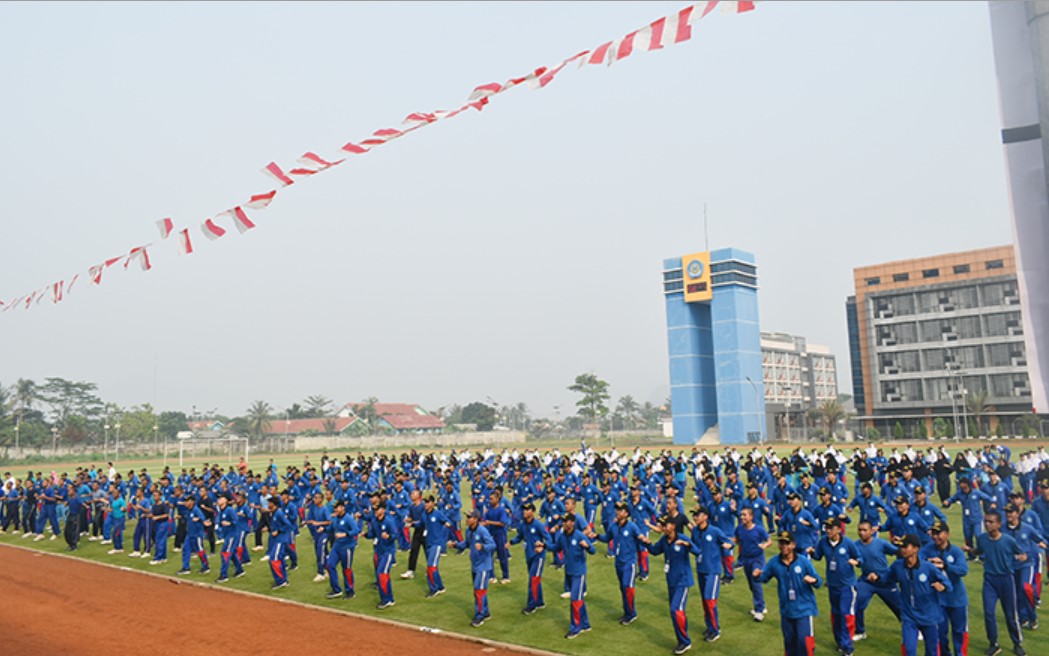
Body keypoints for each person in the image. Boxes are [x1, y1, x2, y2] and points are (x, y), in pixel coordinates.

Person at [875, 534, 951, 656]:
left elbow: (948, 584)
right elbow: (887, 579)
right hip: (909, 616)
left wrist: (943, 586)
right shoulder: (897, 566)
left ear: (916, 549)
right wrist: (877, 578)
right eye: (901, 547)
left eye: (905, 547)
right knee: (909, 650)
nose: (902, 550)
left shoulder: (928, 568)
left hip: (929, 616)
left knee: (932, 651)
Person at [966, 511, 1027, 656]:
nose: (988, 524)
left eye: (991, 522)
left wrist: (1022, 557)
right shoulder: (982, 539)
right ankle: (993, 643)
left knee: (1010, 614)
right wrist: (970, 550)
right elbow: (979, 551)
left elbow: (1021, 553)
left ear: (999, 524)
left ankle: (1017, 643)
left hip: (1006, 579)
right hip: (989, 580)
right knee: (988, 612)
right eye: (986, 521)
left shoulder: (1008, 540)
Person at [753, 530, 824, 656]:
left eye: (787, 543)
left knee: (804, 644)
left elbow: (819, 582)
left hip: (804, 610)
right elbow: (764, 578)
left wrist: (813, 580)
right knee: (790, 644)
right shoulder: (774, 562)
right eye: (781, 543)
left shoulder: (803, 561)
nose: (784, 546)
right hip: (787, 610)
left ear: (793, 545)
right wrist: (757, 576)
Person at [648, 514, 700, 655]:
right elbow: (654, 551)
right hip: (671, 581)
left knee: (675, 609)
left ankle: (685, 641)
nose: (663, 528)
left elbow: (697, 551)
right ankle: (681, 640)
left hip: (683, 581)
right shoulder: (664, 540)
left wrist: (687, 545)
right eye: (662, 525)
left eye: (665, 525)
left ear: (673, 526)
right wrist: (645, 543)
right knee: (677, 612)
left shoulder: (682, 538)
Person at [813, 518, 862, 656]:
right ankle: (840, 642)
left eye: (831, 528)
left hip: (847, 586)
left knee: (845, 615)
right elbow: (818, 556)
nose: (828, 530)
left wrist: (856, 562)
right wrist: (811, 552)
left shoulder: (848, 543)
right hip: (832, 585)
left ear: (839, 529)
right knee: (835, 615)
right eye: (827, 528)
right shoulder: (823, 542)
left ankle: (848, 649)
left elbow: (859, 557)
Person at [920, 520, 969, 656]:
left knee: (959, 631)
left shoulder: (956, 552)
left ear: (947, 534)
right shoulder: (927, 550)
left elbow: (963, 570)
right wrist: (929, 563)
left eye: (938, 533)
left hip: (957, 599)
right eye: (933, 533)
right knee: (940, 632)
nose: (935, 537)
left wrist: (945, 565)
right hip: (937, 600)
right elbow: (917, 563)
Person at [591, 501, 644, 625]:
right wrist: (597, 536)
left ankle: (631, 613)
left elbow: (640, 538)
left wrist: (643, 541)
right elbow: (607, 538)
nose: (617, 512)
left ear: (626, 513)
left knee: (628, 588)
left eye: (620, 510)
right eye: (617, 510)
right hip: (618, 562)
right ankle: (627, 612)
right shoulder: (614, 526)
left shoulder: (632, 527)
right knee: (622, 588)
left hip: (629, 563)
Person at [689, 506, 733, 642]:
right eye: (694, 515)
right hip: (701, 569)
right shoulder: (695, 531)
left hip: (713, 571)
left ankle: (715, 629)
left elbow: (729, 542)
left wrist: (728, 546)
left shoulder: (714, 531)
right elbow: (695, 547)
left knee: (710, 600)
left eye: (698, 515)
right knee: (704, 600)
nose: (695, 517)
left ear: (706, 516)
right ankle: (709, 626)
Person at [853, 520, 901, 641]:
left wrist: (900, 544)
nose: (862, 533)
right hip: (866, 580)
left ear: (871, 531)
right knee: (857, 604)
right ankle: (860, 631)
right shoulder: (855, 546)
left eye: (865, 530)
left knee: (900, 607)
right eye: (860, 530)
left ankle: (914, 629)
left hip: (884, 580)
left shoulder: (881, 544)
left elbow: (898, 552)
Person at [452, 510, 496, 627]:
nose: (466, 519)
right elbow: (467, 543)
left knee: (479, 590)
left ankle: (479, 615)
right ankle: (485, 612)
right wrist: (456, 545)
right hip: (475, 566)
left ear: (476, 519)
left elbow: (492, 545)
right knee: (479, 590)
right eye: (466, 517)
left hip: (483, 566)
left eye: (469, 517)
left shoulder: (482, 530)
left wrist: (482, 546)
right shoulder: (468, 531)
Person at [554, 512, 595, 639]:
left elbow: (593, 550)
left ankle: (575, 628)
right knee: (578, 599)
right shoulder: (562, 536)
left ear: (572, 523)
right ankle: (585, 624)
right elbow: (556, 547)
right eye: (563, 521)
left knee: (575, 600)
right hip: (569, 572)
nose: (564, 523)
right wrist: (543, 545)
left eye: (566, 521)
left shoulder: (579, 535)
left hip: (579, 573)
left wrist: (587, 546)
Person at [511, 501, 551, 615]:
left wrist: (542, 547)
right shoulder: (523, 525)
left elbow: (548, 539)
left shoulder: (538, 525)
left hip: (538, 557)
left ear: (532, 512)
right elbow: (519, 537)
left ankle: (531, 605)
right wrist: (510, 542)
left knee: (533, 580)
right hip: (528, 556)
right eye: (524, 509)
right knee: (535, 580)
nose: (524, 512)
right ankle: (540, 601)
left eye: (527, 510)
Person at [735, 506, 771, 621]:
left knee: (755, 582)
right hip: (746, 560)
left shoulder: (759, 529)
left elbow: (769, 541)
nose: (742, 517)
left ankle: (759, 611)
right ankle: (762, 604)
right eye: (741, 515)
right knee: (751, 585)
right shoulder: (739, 529)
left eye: (744, 515)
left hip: (757, 559)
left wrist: (765, 545)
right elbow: (736, 540)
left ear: (751, 517)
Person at [325, 500, 361, 599]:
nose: (335, 509)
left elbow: (356, 530)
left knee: (346, 569)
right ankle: (336, 589)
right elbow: (330, 528)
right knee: (330, 565)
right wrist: (322, 528)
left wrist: (345, 534)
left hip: (347, 547)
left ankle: (350, 590)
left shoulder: (348, 518)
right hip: (337, 546)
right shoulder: (336, 519)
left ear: (342, 508)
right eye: (334, 508)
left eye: (337, 507)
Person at [421, 493, 453, 598]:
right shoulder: (424, 514)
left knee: (431, 566)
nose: (425, 504)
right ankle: (440, 586)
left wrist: (447, 524)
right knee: (433, 566)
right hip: (428, 543)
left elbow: (448, 521)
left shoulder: (438, 514)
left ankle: (433, 588)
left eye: (427, 502)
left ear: (432, 503)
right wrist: (411, 523)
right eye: (425, 502)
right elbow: (420, 524)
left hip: (437, 544)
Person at [367, 500, 398, 609]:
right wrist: (366, 534)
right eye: (375, 509)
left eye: (378, 509)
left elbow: (395, 535)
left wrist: (388, 536)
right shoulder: (375, 521)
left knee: (382, 574)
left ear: (383, 510)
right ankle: (387, 597)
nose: (375, 511)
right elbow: (373, 534)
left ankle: (387, 599)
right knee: (382, 574)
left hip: (388, 552)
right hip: (379, 551)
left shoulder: (389, 521)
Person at [482, 490, 512, 584]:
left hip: (500, 535)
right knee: (489, 555)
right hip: (491, 535)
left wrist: (489, 522)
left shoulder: (501, 510)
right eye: (489, 499)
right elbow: (485, 520)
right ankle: (491, 576)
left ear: (497, 499)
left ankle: (506, 576)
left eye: (492, 499)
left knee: (502, 556)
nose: (490, 501)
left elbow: (502, 523)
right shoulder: (489, 510)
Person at [176, 495, 210, 575]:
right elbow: (185, 517)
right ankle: (186, 567)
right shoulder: (188, 510)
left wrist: (202, 521)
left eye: (187, 501)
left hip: (197, 534)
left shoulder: (196, 510)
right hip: (189, 534)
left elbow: (203, 518)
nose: (185, 503)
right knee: (185, 549)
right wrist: (179, 517)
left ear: (192, 502)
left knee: (200, 550)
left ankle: (206, 566)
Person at [265, 495, 292, 589]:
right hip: (277, 540)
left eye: (269, 502)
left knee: (274, 559)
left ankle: (281, 580)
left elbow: (288, 525)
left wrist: (279, 531)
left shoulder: (279, 513)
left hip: (281, 539)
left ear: (274, 504)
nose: (268, 504)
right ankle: (283, 579)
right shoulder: (273, 513)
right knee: (278, 559)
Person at [304, 491, 332, 583]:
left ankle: (321, 573)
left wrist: (319, 524)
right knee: (320, 552)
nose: (315, 499)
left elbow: (329, 521)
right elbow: (311, 519)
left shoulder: (324, 509)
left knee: (321, 551)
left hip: (324, 533)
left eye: (316, 498)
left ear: (321, 499)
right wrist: (307, 522)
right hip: (317, 534)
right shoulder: (314, 508)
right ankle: (328, 569)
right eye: (314, 498)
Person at [215, 495, 243, 582]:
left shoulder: (229, 510)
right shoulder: (221, 511)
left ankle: (224, 575)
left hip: (232, 535)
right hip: (227, 534)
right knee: (232, 553)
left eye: (220, 499)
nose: (218, 500)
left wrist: (229, 523)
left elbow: (236, 521)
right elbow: (219, 522)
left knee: (225, 553)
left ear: (225, 500)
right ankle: (239, 570)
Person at [149, 490, 170, 565]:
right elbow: (153, 514)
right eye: (154, 496)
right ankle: (163, 557)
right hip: (157, 524)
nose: (154, 497)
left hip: (163, 523)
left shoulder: (164, 505)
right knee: (162, 541)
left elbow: (167, 515)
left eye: (156, 495)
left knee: (158, 540)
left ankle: (158, 558)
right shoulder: (154, 505)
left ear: (160, 496)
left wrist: (157, 517)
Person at [106, 486, 127, 555]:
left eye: (115, 493)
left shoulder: (121, 500)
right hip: (115, 518)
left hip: (120, 518)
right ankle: (119, 547)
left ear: (118, 494)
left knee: (115, 533)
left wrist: (123, 509)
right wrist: (107, 510)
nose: (114, 494)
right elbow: (113, 509)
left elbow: (125, 508)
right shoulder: (114, 501)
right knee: (116, 533)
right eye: (113, 493)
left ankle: (117, 548)